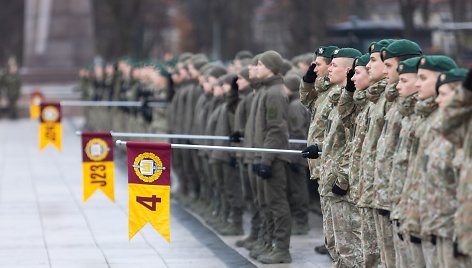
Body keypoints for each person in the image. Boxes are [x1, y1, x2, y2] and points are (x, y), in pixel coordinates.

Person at [373, 39, 422, 267]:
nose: (384, 70)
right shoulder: (395, 102)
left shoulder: (416, 111)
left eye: (389, 65)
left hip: (411, 204)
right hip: (389, 194)